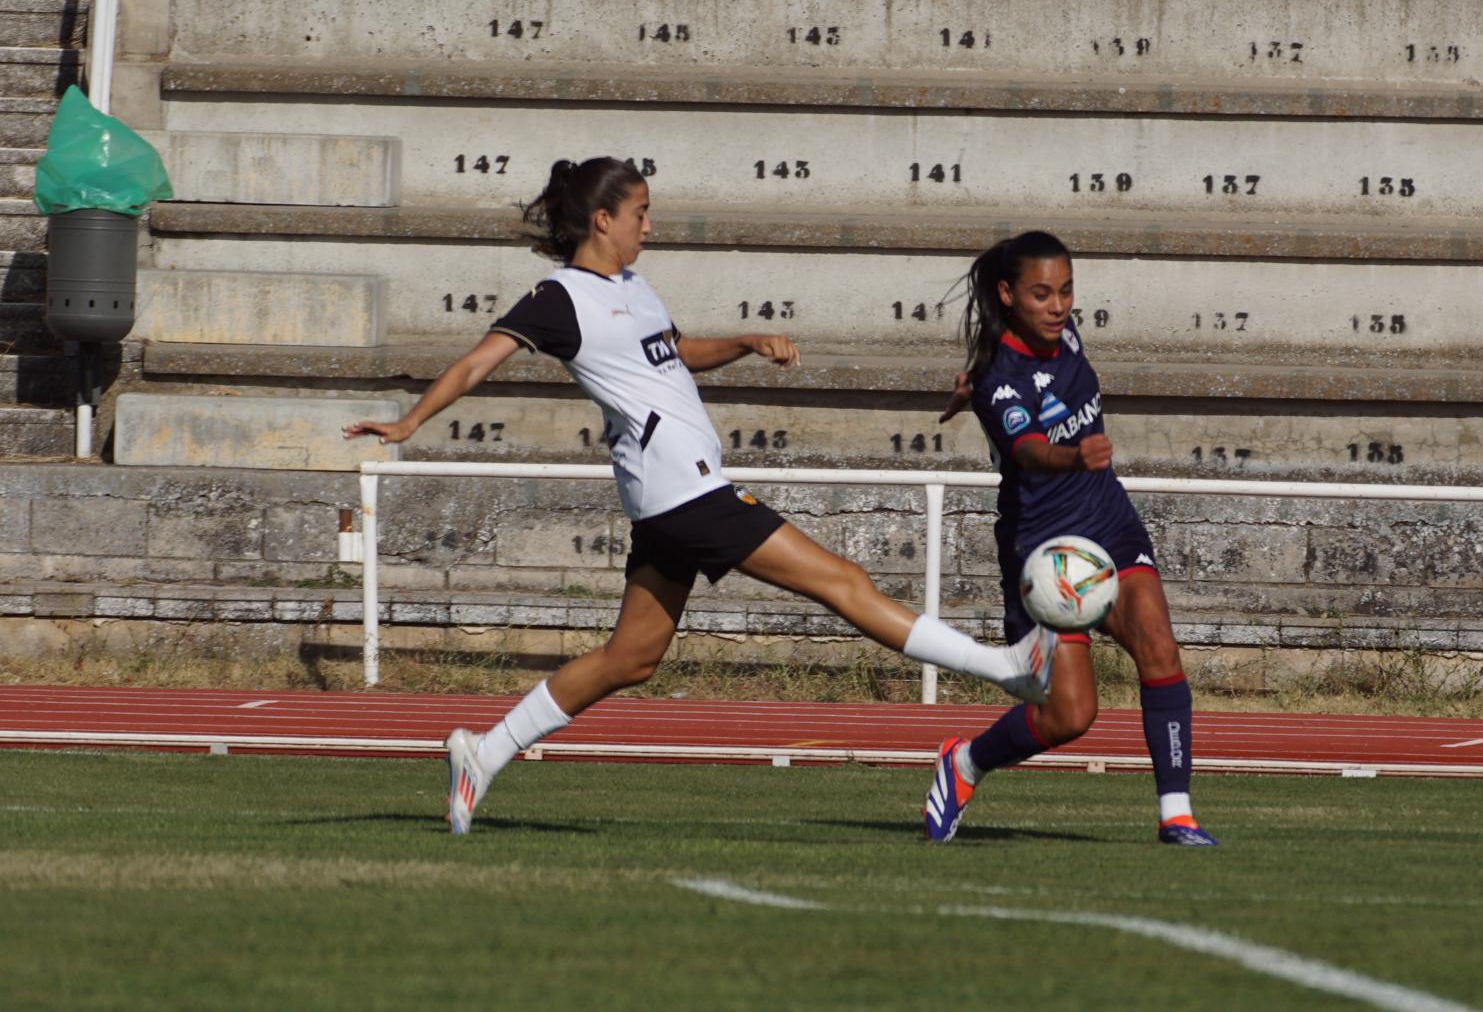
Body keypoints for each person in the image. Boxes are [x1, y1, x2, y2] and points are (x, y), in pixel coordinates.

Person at [344, 157, 1058, 835]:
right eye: (640, 213)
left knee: (631, 659)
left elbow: (675, 351)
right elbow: (477, 362)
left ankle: (484, 750)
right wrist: (410, 422)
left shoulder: (635, 286)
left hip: (671, 495)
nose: (648, 226)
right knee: (843, 581)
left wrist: (746, 341)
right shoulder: (561, 299)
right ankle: (1004, 668)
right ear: (601, 219)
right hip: (684, 491)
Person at [921, 230, 1217, 846]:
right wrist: (1073, 454)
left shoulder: (1062, 335)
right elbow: (1028, 451)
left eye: (1066, 291)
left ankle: (1177, 816)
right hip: (1045, 551)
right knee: (1071, 716)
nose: (1057, 306)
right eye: (1041, 295)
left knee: (1159, 647)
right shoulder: (1002, 378)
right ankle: (966, 763)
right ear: (1008, 295)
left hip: (1108, 521)